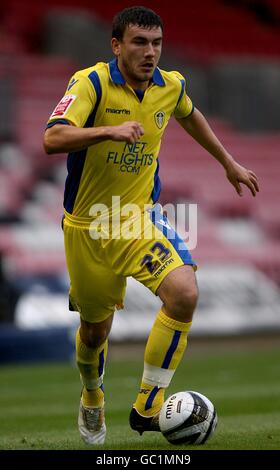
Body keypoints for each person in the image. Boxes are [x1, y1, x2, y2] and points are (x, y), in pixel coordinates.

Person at [44, 6, 259, 445]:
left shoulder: (171, 84)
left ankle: (147, 405)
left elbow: (188, 113)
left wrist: (228, 162)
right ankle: (91, 395)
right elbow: (53, 137)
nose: (150, 52)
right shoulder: (92, 83)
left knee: (184, 292)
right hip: (90, 227)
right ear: (116, 45)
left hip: (139, 215)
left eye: (156, 43)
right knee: (94, 331)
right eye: (140, 42)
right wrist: (107, 131)